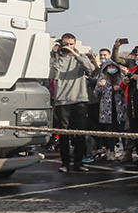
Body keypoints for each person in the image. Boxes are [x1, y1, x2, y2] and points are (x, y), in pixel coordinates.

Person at [49, 33, 94, 173]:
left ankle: (79, 162)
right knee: (64, 133)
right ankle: (65, 162)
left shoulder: (80, 57)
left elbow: (91, 69)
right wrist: (56, 55)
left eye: (71, 44)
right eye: (66, 44)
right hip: (62, 101)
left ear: (75, 45)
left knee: (80, 132)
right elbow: (52, 75)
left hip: (79, 99)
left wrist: (75, 54)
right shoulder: (57, 58)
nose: (68, 46)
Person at [93, 58, 126, 160]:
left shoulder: (121, 78)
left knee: (123, 131)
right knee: (109, 132)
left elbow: (126, 92)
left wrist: (120, 88)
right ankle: (111, 151)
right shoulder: (102, 79)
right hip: (107, 110)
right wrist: (99, 86)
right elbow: (95, 94)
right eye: (109, 67)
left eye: (113, 66)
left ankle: (125, 152)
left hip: (120, 109)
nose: (112, 68)